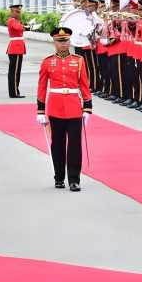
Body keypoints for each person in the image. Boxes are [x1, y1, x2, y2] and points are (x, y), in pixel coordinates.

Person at [36, 27, 93, 192]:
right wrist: (40, 111)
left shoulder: (79, 60)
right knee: (57, 145)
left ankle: (74, 179)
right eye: (60, 41)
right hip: (55, 108)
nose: (63, 44)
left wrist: (87, 108)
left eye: (66, 41)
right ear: (54, 42)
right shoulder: (47, 61)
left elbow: (84, 85)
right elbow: (41, 87)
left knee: (75, 145)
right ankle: (59, 177)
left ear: (70, 41)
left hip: (74, 107)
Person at [7, 4, 28, 98]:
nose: (19, 13)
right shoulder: (12, 20)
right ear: (12, 11)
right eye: (17, 11)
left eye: (19, 11)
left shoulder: (15, 20)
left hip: (17, 48)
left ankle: (15, 91)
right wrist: (27, 27)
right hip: (16, 48)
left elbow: (20, 28)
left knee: (15, 72)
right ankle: (14, 92)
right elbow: (19, 28)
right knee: (15, 72)